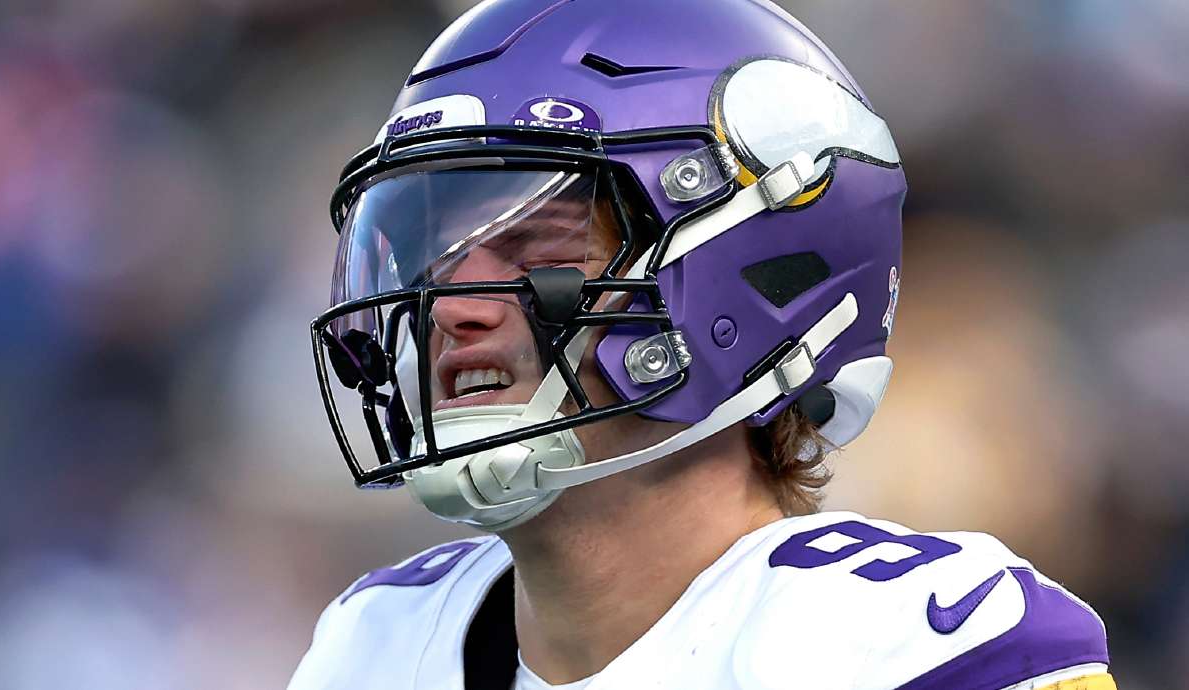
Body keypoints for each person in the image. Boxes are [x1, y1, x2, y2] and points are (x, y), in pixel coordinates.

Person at [290, 1, 1113, 688]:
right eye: (429, 259)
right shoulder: (373, 648)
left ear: (745, 271)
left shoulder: (924, 645)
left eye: (539, 244)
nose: (451, 309)